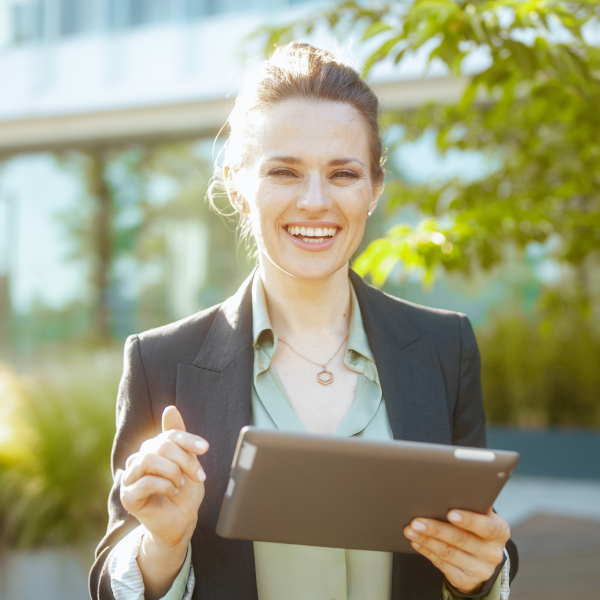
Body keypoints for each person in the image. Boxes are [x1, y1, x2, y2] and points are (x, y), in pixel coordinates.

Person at [90, 43, 517, 600]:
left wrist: (478, 576)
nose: (315, 201)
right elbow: (111, 577)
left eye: (343, 173)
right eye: (285, 172)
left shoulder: (445, 346)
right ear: (239, 187)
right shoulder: (161, 362)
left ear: (374, 190)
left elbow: (479, 538)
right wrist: (162, 546)